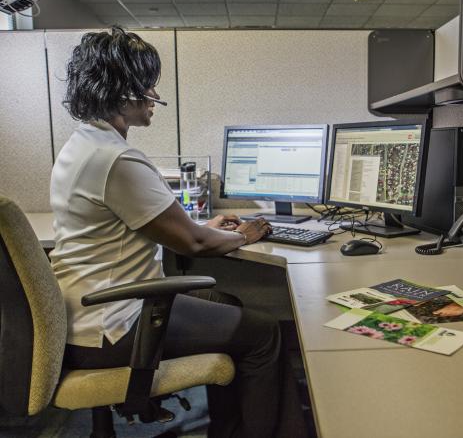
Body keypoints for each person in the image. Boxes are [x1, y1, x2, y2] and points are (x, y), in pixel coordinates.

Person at [49, 26, 305, 438]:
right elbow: (195, 244)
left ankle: (230, 428)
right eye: (148, 84)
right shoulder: (116, 159)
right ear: (126, 91)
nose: (155, 95)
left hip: (84, 310)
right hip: (111, 326)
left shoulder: (84, 145)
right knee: (264, 335)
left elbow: (164, 228)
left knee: (226, 302)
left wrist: (202, 227)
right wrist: (245, 235)